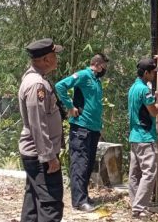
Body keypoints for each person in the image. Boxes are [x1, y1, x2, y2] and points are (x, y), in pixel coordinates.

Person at [54, 53, 109, 212]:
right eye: (104, 66)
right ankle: (79, 201)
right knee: (80, 164)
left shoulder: (96, 80)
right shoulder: (84, 75)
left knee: (88, 164)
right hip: (81, 127)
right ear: (97, 64)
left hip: (93, 128)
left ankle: (83, 196)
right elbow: (60, 86)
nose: (105, 69)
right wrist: (70, 106)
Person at [18, 38, 65, 222]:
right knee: (50, 205)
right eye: (55, 55)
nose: (57, 59)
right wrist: (48, 157)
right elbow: (37, 123)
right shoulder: (36, 84)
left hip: (37, 154)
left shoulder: (35, 79)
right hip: (41, 156)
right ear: (46, 59)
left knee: (33, 202)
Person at [127, 58, 158, 218]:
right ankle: (139, 207)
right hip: (145, 136)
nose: (154, 75)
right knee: (149, 173)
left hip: (134, 136)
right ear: (146, 73)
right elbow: (153, 111)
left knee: (135, 173)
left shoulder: (133, 88)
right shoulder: (144, 90)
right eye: (153, 72)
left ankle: (136, 204)